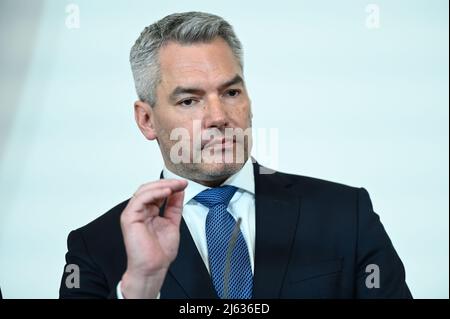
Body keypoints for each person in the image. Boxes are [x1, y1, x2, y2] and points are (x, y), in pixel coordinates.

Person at [59, 11, 412, 299]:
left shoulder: (344, 214)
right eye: (189, 100)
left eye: (230, 92)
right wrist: (140, 286)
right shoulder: (95, 247)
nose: (219, 117)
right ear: (146, 119)